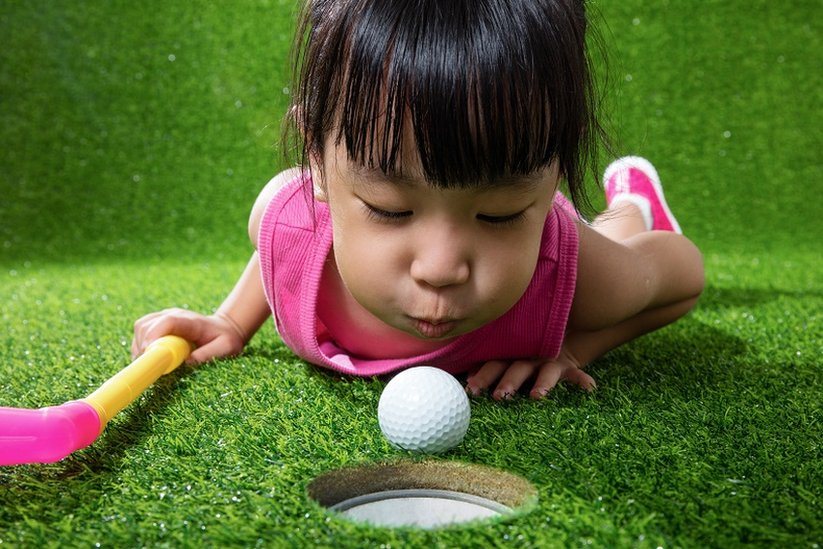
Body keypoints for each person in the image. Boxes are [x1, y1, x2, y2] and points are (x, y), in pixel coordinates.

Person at [132, 0, 704, 400]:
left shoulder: (563, 269)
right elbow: (282, 249)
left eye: (498, 214)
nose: (441, 268)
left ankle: (633, 202)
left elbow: (683, 277)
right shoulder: (285, 215)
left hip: (577, 253)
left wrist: (575, 346)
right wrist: (231, 321)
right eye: (390, 208)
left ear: (556, 166)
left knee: (612, 238)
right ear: (318, 164)